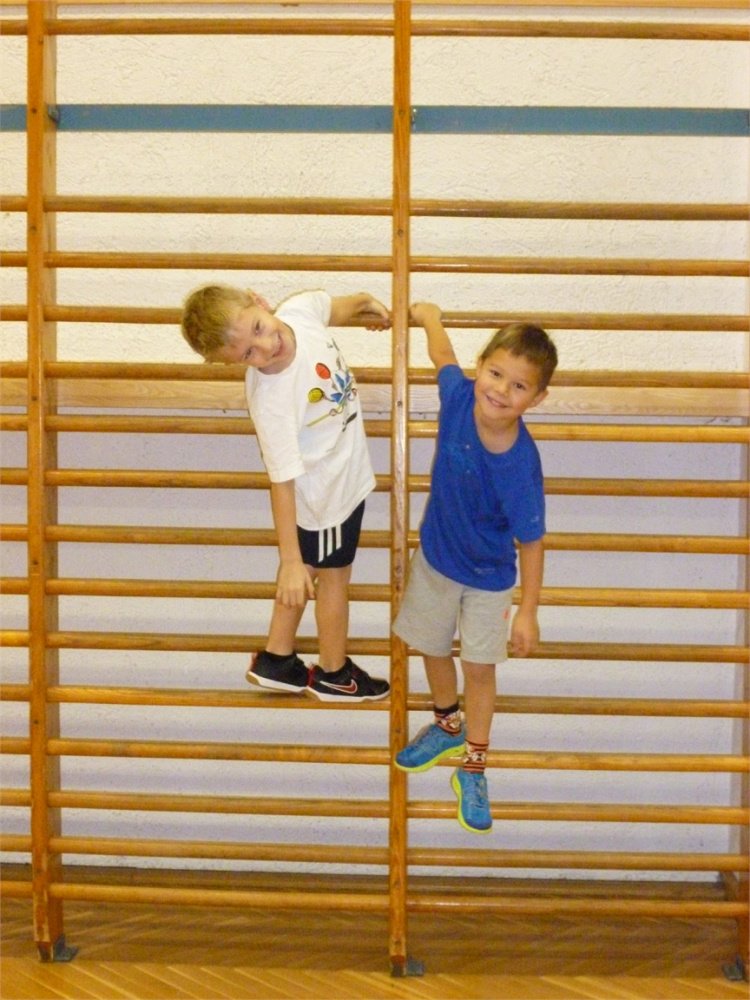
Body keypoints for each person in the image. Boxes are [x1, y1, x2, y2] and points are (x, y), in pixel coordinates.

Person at [181, 284, 391, 702]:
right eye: (248, 354)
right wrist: (289, 561)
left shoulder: (299, 311)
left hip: (340, 481)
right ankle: (334, 672)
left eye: (259, 328)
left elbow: (334, 307)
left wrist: (366, 303)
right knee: (333, 578)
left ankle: (277, 657)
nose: (266, 347)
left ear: (260, 302)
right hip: (326, 497)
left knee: (310, 571)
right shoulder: (272, 399)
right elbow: (281, 481)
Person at [393, 302, 557, 833]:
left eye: (519, 386)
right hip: (437, 559)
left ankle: (474, 767)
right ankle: (448, 725)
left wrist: (528, 611)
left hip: (489, 579)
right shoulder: (459, 395)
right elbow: (442, 356)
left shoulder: (520, 465)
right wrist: (430, 318)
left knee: (480, 668)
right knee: (430, 645)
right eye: (495, 373)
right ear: (480, 367)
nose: (501, 390)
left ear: (537, 398)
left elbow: (532, 542)